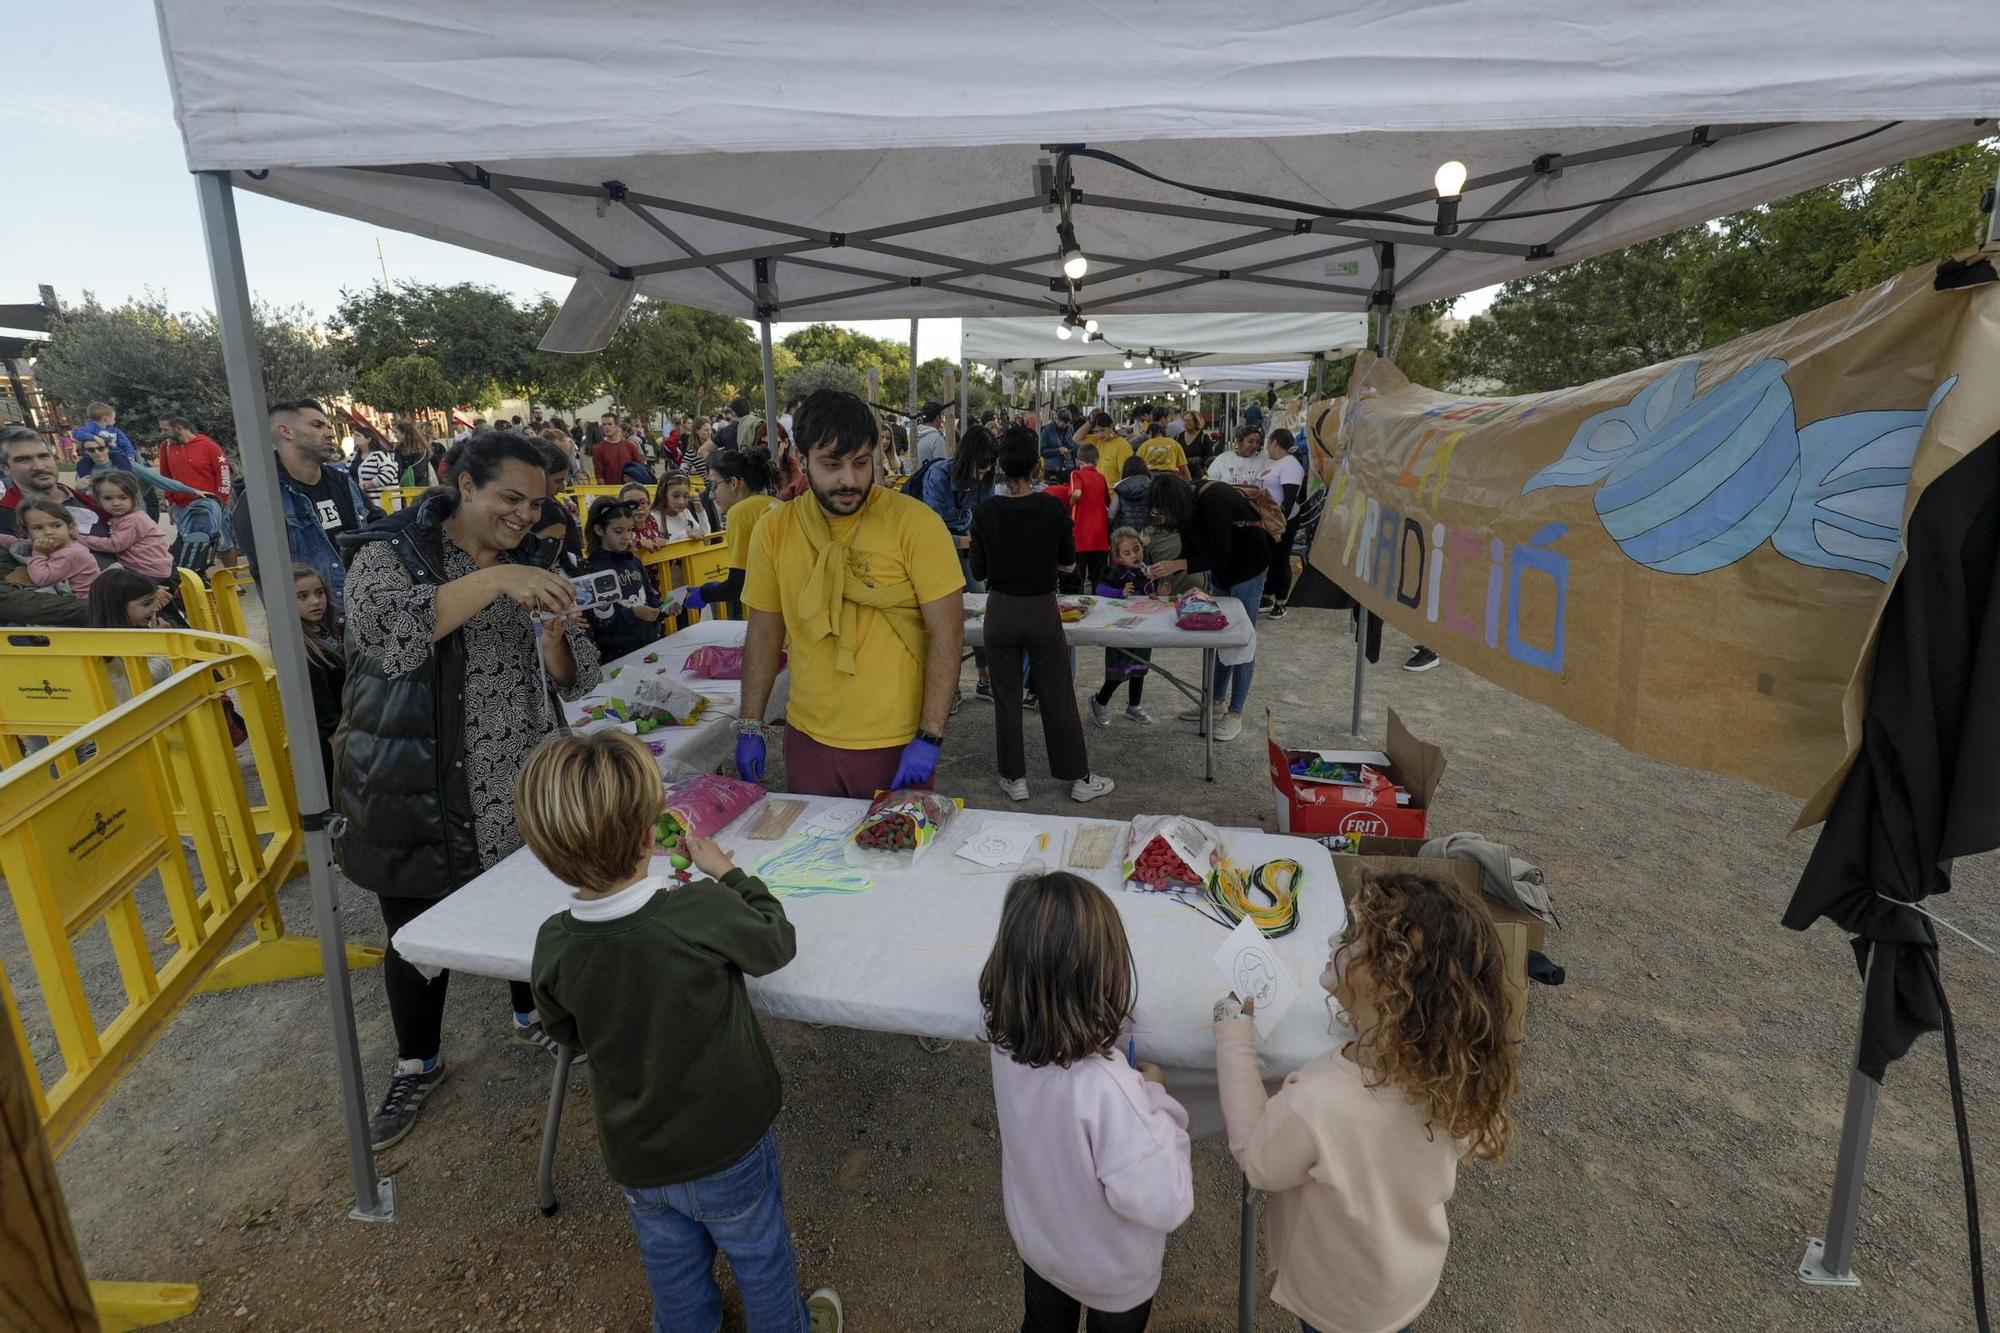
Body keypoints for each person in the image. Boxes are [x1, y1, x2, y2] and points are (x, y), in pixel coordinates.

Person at [519, 730, 843, 1333]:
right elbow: (775, 940)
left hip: (638, 1150)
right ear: (651, 836)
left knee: (672, 1268)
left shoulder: (554, 942)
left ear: (547, 849)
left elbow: (566, 1031)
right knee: (760, 1255)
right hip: (728, 1139)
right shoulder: (698, 910)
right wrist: (729, 874)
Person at [335, 430, 602, 1151]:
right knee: (416, 934)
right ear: (463, 482)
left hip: (523, 776)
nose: (524, 515)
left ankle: (533, 1015)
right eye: (510, 498)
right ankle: (417, 1062)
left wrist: (555, 639)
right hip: (418, 781)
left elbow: (583, 672)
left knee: (532, 907)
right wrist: (493, 581)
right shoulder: (386, 556)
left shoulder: (537, 557)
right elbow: (389, 638)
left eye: (537, 502)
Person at [1217, 870, 1519, 1333]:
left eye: (1352, 933)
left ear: (1389, 987)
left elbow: (1258, 1163)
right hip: (1401, 1285)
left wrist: (1234, 1036)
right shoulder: (1454, 1074)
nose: (1335, 938)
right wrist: (1366, 1021)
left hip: (1338, 1303)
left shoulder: (1317, 1101)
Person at [981, 871, 1193, 1332]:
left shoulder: (1005, 1043)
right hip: (1113, 1275)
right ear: (1102, 978)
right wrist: (1154, 1093)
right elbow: (1169, 1200)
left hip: (1042, 1246)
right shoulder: (1110, 1088)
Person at [737, 390, 964, 797]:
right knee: (814, 860)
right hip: (808, 737)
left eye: (861, 463)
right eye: (831, 464)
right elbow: (765, 632)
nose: (849, 479)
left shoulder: (916, 524)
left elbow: (947, 634)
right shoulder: (773, 531)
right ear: (801, 459)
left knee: (893, 859)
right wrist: (750, 721)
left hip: (896, 742)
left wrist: (930, 736)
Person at [969, 428, 1115, 804]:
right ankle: (1079, 777)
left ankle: (1014, 777)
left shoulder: (985, 512)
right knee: (1057, 694)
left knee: (1006, 695)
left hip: (1000, 608)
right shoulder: (1052, 508)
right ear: (1037, 466)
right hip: (1041, 607)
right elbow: (1069, 565)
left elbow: (981, 569)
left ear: (1001, 466)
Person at [1143, 473, 1268, 742]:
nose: (1161, 519)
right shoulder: (1186, 510)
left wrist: (1178, 565)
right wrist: (1166, 569)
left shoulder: (1215, 500)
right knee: (1220, 634)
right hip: (1224, 572)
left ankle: (1235, 713)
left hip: (1248, 566)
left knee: (1242, 638)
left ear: (1173, 504)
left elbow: (1220, 555)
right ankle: (1215, 701)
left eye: (1162, 513)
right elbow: (1191, 553)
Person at [234, 400, 381, 614]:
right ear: (286, 431)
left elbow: (377, 528)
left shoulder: (343, 482)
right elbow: (271, 580)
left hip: (365, 616)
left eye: (329, 426)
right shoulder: (260, 499)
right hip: (318, 633)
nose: (330, 433)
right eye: (317, 425)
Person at [683, 447, 778, 617]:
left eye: (714, 485)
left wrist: (704, 594)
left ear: (733, 483)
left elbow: (737, 585)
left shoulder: (741, 512)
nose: (711, 495)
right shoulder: (773, 503)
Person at [580, 498, 667, 664]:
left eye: (630, 530)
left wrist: (663, 610)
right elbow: (599, 622)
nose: (627, 537)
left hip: (647, 645)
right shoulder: (591, 569)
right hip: (616, 655)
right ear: (599, 530)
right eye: (618, 531)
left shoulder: (634, 561)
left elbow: (650, 597)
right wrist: (633, 613)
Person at [1088, 528, 1154, 726]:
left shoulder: (1147, 571)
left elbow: (1150, 593)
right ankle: (1099, 702)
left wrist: (1160, 589)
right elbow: (1099, 589)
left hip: (1143, 627)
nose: (1134, 555)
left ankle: (1134, 706)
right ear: (1118, 557)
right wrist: (1120, 592)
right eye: (1127, 553)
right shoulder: (1116, 572)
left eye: (1136, 549)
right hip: (1120, 628)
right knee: (1119, 669)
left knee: (1139, 668)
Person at [292, 562, 346, 784]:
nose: (315, 601)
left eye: (319, 593)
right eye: (302, 596)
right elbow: (324, 717)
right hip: (332, 746)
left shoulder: (325, 631)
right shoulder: (304, 651)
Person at [156, 415, 237, 556]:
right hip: (183, 508)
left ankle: (231, 575)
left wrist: (220, 501)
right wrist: (170, 502)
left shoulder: (209, 446)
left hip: (211, 505)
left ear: (180, 428)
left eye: (166, 429)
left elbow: (223, 473)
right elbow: (165, 476)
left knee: (223, 544)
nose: (163, 433)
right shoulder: (166, 447)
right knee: (190, 548)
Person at [82, 471, 174, 581]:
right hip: (144, 568)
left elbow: (114, 545)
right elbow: (88, 496)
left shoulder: (134, 520)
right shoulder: (122, 517)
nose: (116, 503)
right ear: (99, 500)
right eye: (108, 498)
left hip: (150, 572)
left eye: (123, 497)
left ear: (135, 498)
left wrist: (82, 539)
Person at [17, 498, 110, 598]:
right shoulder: (49, 544)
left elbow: (42, 579)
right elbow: (15, 542)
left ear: (70, 528)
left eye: (56, 526)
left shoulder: (71, 554)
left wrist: (38, 554)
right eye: (39, 528)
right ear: (28, 533)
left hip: (84, 601)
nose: (49, 532)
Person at [1260, 426, 1308, 619]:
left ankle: (1281, 602)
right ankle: (1267, 596)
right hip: (1269, 518)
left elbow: (1288, 499)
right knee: (1271, 559)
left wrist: (1279, 525)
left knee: (1281, 560)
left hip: (1283, 520)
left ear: (1274, 442)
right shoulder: (1276, 462)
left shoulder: (1290, 465)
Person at [1049, 442, 1112, 588]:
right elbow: (1107, 502)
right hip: (1101, 536)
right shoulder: (1101, 478)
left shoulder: (1076, 474)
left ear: (1078, 460)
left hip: (1081, 535)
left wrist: (1071, 503)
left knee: (1077, 580)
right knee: (1099, 580)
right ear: (1097, 461)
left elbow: (1077, 493)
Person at [72, 403, 138, 474]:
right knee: (83, 464)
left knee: (123, 465)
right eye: (113, 418)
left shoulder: (115, 431)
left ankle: (125, 479)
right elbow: (76, 433)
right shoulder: (91, 427)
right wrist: (94, 437)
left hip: (115, 453)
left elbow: (126, 444)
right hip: (95, 454)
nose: (114, 421)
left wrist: (130, 455)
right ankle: (85, 479)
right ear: (105, 419)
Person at [652, 471, 712, 543]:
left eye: (686, 496)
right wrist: (685, 535)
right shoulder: (654, 518)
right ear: (663, 495)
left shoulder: (686, 512)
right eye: (676, 496)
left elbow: (706, 540)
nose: (681, 502)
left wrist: (700, 511)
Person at [1081, 411, 1133, 488]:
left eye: (1102, 430)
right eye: (1096, 431)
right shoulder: (1098, 440)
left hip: (1112, 494)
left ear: (1111, 427)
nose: (1099, 435)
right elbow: (1076, 439)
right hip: (1098, 491)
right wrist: (1090, 422)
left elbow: (1126, 477)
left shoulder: (1122, 445)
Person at [592, 413, 645, 486]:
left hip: (629, 489)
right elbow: (599, 475)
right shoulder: (598, 449)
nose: (606, 427)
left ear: (617, 426)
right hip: (610, 491)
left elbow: (640, 467)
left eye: (610, 424)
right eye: (604, 425)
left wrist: (634, 478)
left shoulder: (630, 446)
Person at [616, 481, 665, 550]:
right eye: (631, 504)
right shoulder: (618, 526)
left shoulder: (652, 520)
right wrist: (638, 543)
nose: (638, 507)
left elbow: (660, 537)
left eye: (642, 502)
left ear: (649, 504)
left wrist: (660, 540)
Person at [1111, 455, 1152, 535]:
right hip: (1146, 531)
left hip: (1125, 532)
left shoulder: (1120, 487)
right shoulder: (1151, 485)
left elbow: (1112, 513)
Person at [355, 432, 402, 498]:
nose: (354, 437)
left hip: (383, 501)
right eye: (353, 435)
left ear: (368, 439)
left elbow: (388, 475)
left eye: (357, 435)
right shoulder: (353, 456)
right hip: (362, 501)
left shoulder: (380, 455)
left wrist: (363, 486)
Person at [1039, 406, 1076, 482]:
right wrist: (1058, 450)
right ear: (1056, 419)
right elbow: (1041, 451)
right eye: (1062, 425)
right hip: (1052, 470)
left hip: (1069, 468)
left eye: (1067, 424)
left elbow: (1073, 445)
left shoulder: (1070, 428)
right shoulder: (1046, 431)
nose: (1065, 427)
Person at [1180, 411, 1217, 478]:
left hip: (1198, 476)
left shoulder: (1204, 438)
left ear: (1196, 422)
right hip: (1181, 476)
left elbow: (1209, 458)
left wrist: (1197, 460)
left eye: (1188, 421)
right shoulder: (1178, 436)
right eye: (1184, 420)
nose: (1185, 423)